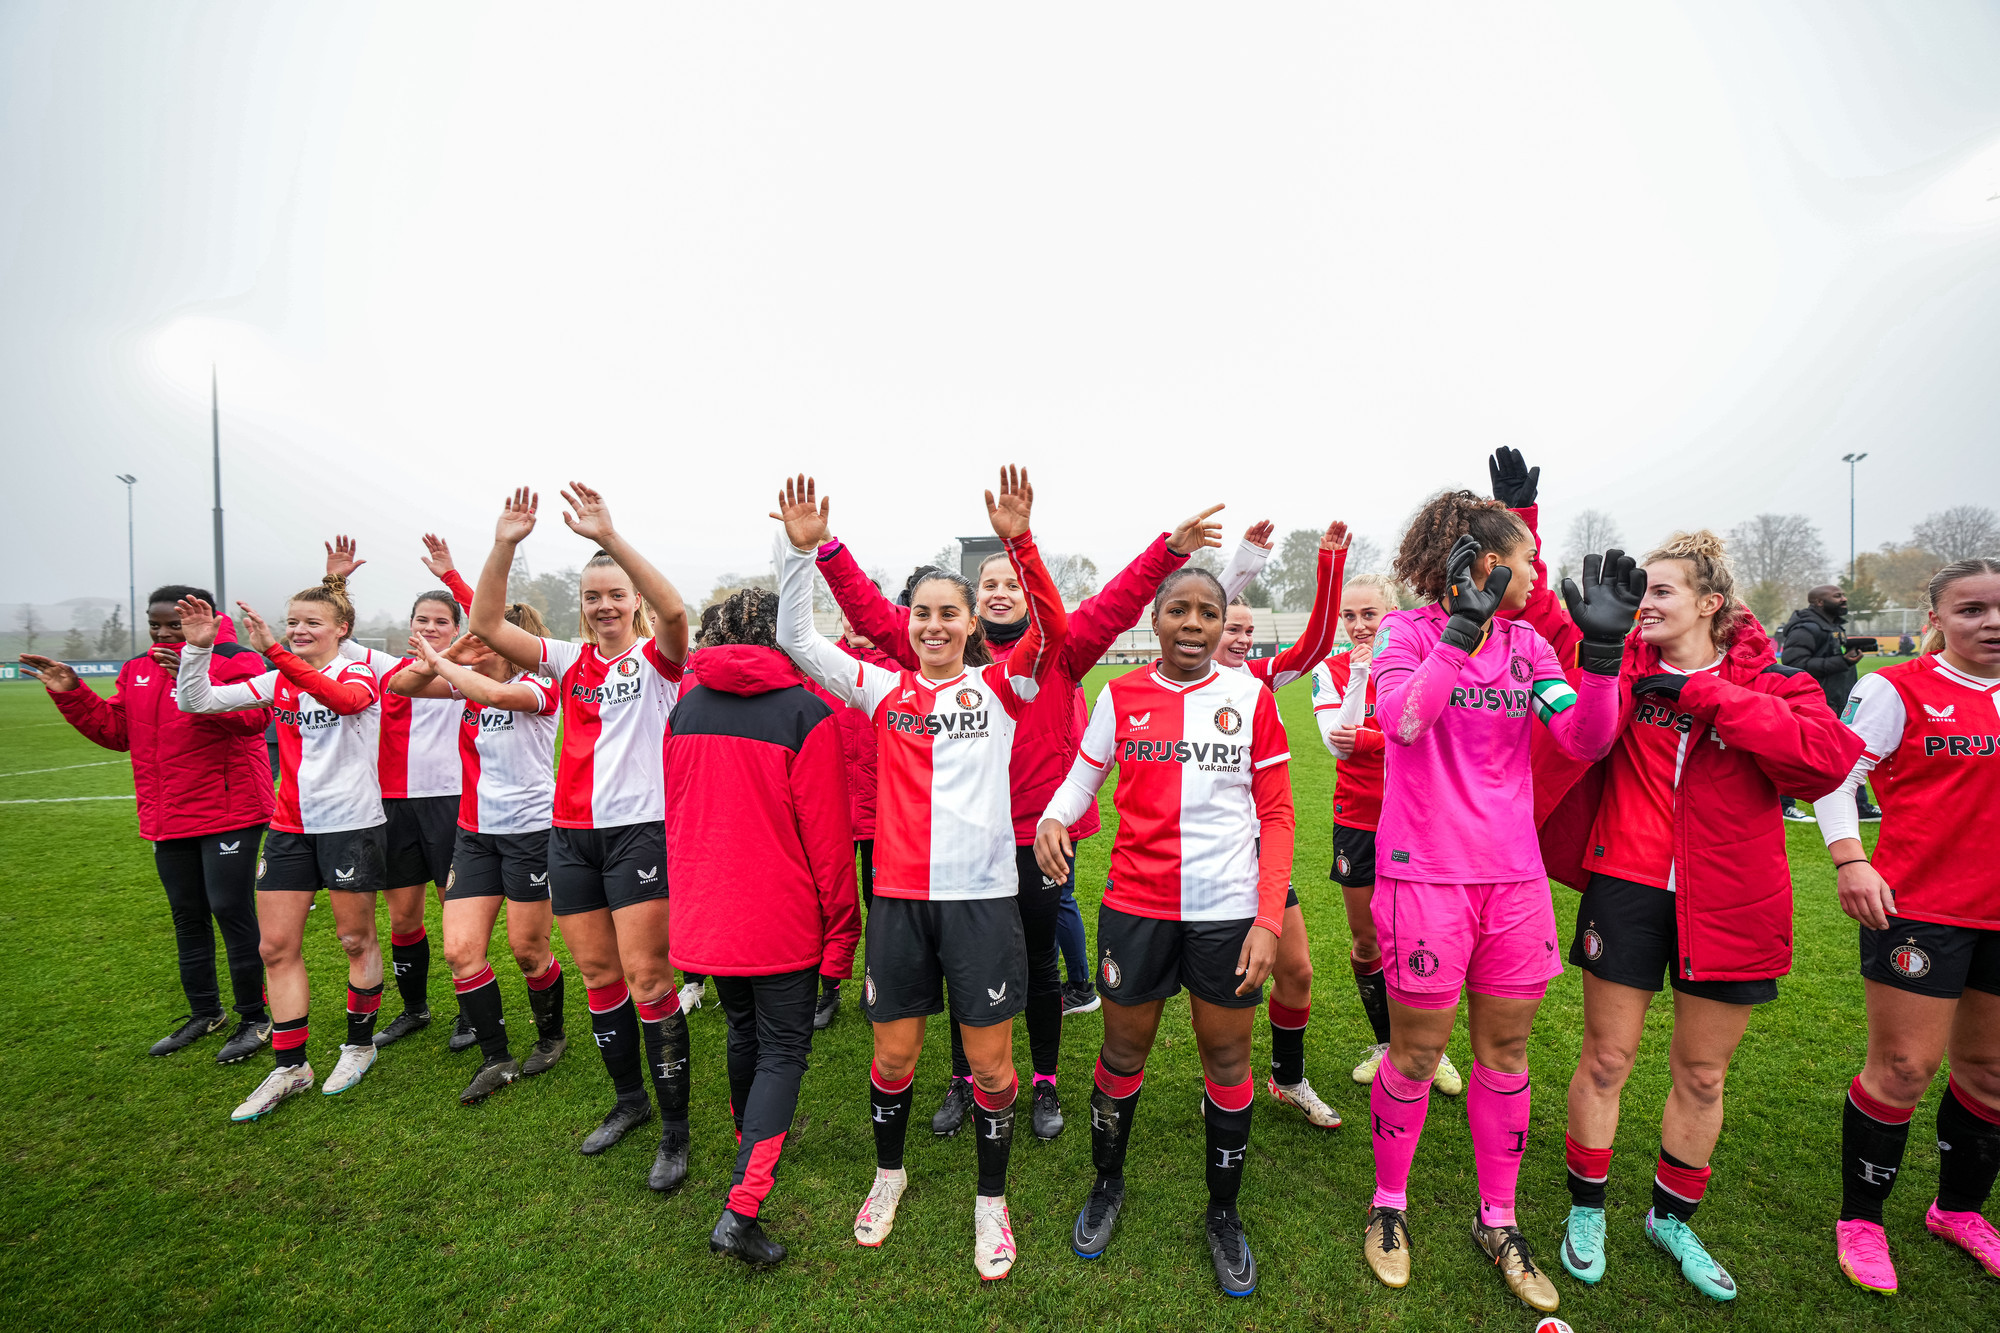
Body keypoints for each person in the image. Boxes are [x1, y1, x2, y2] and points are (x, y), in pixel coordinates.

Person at [815, 497, 1221, 1142]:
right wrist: (828, 550)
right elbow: (868, 608)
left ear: (1025, 594)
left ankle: (1044, 1081)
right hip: (961, 848)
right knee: (960, 968)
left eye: (1011, 584)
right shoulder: (943, 651)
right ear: (973, 605)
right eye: (990, 585)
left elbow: (1116, 602)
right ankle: (962, 1080)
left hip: (1038, 837)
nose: (1001, 593)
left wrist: (1168, 552)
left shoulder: (1056, 650)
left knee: (1036, 961)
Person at [1533, 531, 1861, 1300]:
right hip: (1627, 884)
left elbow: (1825, 761)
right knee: (1606, 1060)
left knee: (1704, 1075)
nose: (1643, 603)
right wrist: (1604, 645)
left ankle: (1671, 1216)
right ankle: (1588, 1210)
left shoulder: (1774, 682)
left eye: (1661, 592)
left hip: (1735, 900)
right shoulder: (1624, 668)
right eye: (1640, 591)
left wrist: (1712, 697)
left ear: (1711, 603)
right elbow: (1571, 699)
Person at [773, 467, 1068, 1281]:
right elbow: (798, 638)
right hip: (900, 905)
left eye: (950, 613)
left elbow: (1052, 625)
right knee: (895, 1058)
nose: (935, 625)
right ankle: (888, 1174)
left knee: (993, 1068)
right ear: (906, 623)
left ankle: (990, 1202)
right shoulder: (880, 687)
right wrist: (801, 551)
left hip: (981, 906)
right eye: (923, 614)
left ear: (973, 622)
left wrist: (1019, 539)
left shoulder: (1004, 687)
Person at [1358, 492, 1633, 1314]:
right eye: (1526, 559)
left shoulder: (1531, 644)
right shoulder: (1404, 633)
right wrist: (1456, 637)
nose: (1538, 574)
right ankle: (1389, 1205)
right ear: (1482, 564)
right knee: (1415, 1053)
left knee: (1506, 1054)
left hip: (1513, 884)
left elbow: (1584, 739)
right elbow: (1404, 719)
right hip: (1425, 878)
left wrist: (1605, 656)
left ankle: (1498, 1218)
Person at [1036, 564, 1295, 1296]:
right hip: (1137, 908)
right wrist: (1054, 815)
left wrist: (1268, 918)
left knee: (1226, 1056)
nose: (1193, 623)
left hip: (1227, 914)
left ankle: (1223, 1213)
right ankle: (1107, 1184)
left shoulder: (1251, 699)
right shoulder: (1119, 696)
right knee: (1123, 1048)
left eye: (1207, 612)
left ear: (1222, 623)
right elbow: (1081, 780)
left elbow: (1277, 816)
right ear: (1154, 619)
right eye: (1178, 610)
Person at [467, 484, 694, 1191]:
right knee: (599, 976)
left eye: (614, 594)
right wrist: (506, 542)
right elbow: (484, 621)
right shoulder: (567, 660)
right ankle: (629, 1102)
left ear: (632, 601)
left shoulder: (658, 660)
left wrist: (614, 537)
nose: (602, 605)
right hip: (570, 839)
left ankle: (675, 1129)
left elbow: (679, 611)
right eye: (592, 594)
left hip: (638, 835)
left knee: (650, 978)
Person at [664, 587, 863, 1266]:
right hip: (781, 917)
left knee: (746, 1029)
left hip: (712, 910)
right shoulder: (808, 710)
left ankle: (753, 1136)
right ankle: (742, 1207)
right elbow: (831, 841)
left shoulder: (686, 707)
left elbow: (681, 815)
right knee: (783, 1049)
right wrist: (844, 931)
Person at [1818, 557, 2000, 1295]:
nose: (1990, 622)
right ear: (1938, 619)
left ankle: (1956, 1209)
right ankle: (1861, 1219)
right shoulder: (1895, 688)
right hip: (1921, 908)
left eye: (1999, 608)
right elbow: (1838, 776)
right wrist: (1850, 861)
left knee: (1990, 1073)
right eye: (1971, 609)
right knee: (1904, 1069)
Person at [22, 587, 274, 1064]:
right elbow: (117, 732)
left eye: (173, 625)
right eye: (155, 624)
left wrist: (194, 679)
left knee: (230, 910)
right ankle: (206, 1013)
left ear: (203, 619)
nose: (162, 633)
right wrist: (72, 693)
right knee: (187, 916)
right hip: (169, 814)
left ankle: (255, 1018)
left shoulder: (233, 658)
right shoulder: (137, 669)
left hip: (229, 810)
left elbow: (253, 722)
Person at [174, 579, 392, 1119]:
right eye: (292, 621)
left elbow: (342, 702)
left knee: (353, 937)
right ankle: (291, 1065)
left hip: (350, 825)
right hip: (289, 826)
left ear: (341, 630)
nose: (298, 630)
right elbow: (196, 700)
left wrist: (272, 649)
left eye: (311, 622)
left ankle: (358, 1045)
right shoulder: (278, 680)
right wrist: (198, 647)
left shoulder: (357, 671)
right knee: (275, 947)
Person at [387, 606, 569, 1106]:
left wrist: (449, 665)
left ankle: (552, 1035)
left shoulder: (540, 686)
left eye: (491, 641)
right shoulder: (462, 680)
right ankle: (496, 1058)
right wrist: (448, 655)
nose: (482, 648)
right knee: (459, 952)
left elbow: (493, 695)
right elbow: (400, 687)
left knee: (529, 953)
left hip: (530, 834)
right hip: (473, 835)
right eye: (480, 640)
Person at [1212, 519, 1353, 1128]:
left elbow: (1320, 640)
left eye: (1249, 630)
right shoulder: (1178, 686)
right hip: (1207, 861)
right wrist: (1242, 558)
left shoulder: (1261, 681)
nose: (1242, 639)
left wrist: (1328, 563)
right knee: (1220, 988)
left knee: (1296, 971)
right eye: (1232, 628)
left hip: (1262, 856)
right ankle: (1223, 1080)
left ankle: (1288, 1079)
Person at [1309, 571, 1469, 1095]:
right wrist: (1358, 679)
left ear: (1391, 612)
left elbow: (1427, 729)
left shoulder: (1422, 662)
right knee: (1367, 941)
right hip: (1356, 819)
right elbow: (1339, 744)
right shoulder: (1329, 672)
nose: (1358, 626)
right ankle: (1387, 1045)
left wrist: (1371, 738)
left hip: (1420, 817)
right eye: (1349, 616)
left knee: (1424, 939)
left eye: (1369, 614)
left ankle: (1429, 1051)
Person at [327, 534, 479, 1052]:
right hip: (391, 805)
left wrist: (451, 577)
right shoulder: (381, 666)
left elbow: (491, 623)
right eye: (423, 621)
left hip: (451, 803)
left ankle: (470, 1013)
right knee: (404, 915)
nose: (431, 628)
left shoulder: (467, 673)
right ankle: (414, 1009)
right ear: (409, 627)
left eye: (441, 621)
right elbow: (331, 630)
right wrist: (337, 581)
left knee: (453, 909)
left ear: (457, 629)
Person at [1780, 585, 1881, 822]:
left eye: (1844, 594)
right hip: (1812, 701)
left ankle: (1860, 806)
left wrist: (1845, 657)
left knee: (1845, 751)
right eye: (1837, 596)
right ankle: (1784, 805)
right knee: (1797, 752)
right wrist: (1841, 661)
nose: (1844, 599)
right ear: (1819, 602)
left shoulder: (1833, 625)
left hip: (1836, 698)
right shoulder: (1807, 627)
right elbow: (1794, 664)